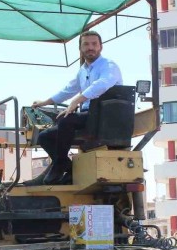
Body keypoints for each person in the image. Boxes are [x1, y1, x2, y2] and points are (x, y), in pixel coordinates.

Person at [25, 31, 122, 185]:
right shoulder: (82, 70)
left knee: (66, 120)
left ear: (101, 47)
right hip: (87, 116)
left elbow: (102, 85)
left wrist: (77, 100)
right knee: (44, 136)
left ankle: (58, 166)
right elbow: (68, 90)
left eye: (94, 44)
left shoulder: (109, 66)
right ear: (80, 49)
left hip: (104, 116)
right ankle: (68, 167)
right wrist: (45, 102)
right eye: (86, 44)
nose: (90, 48)